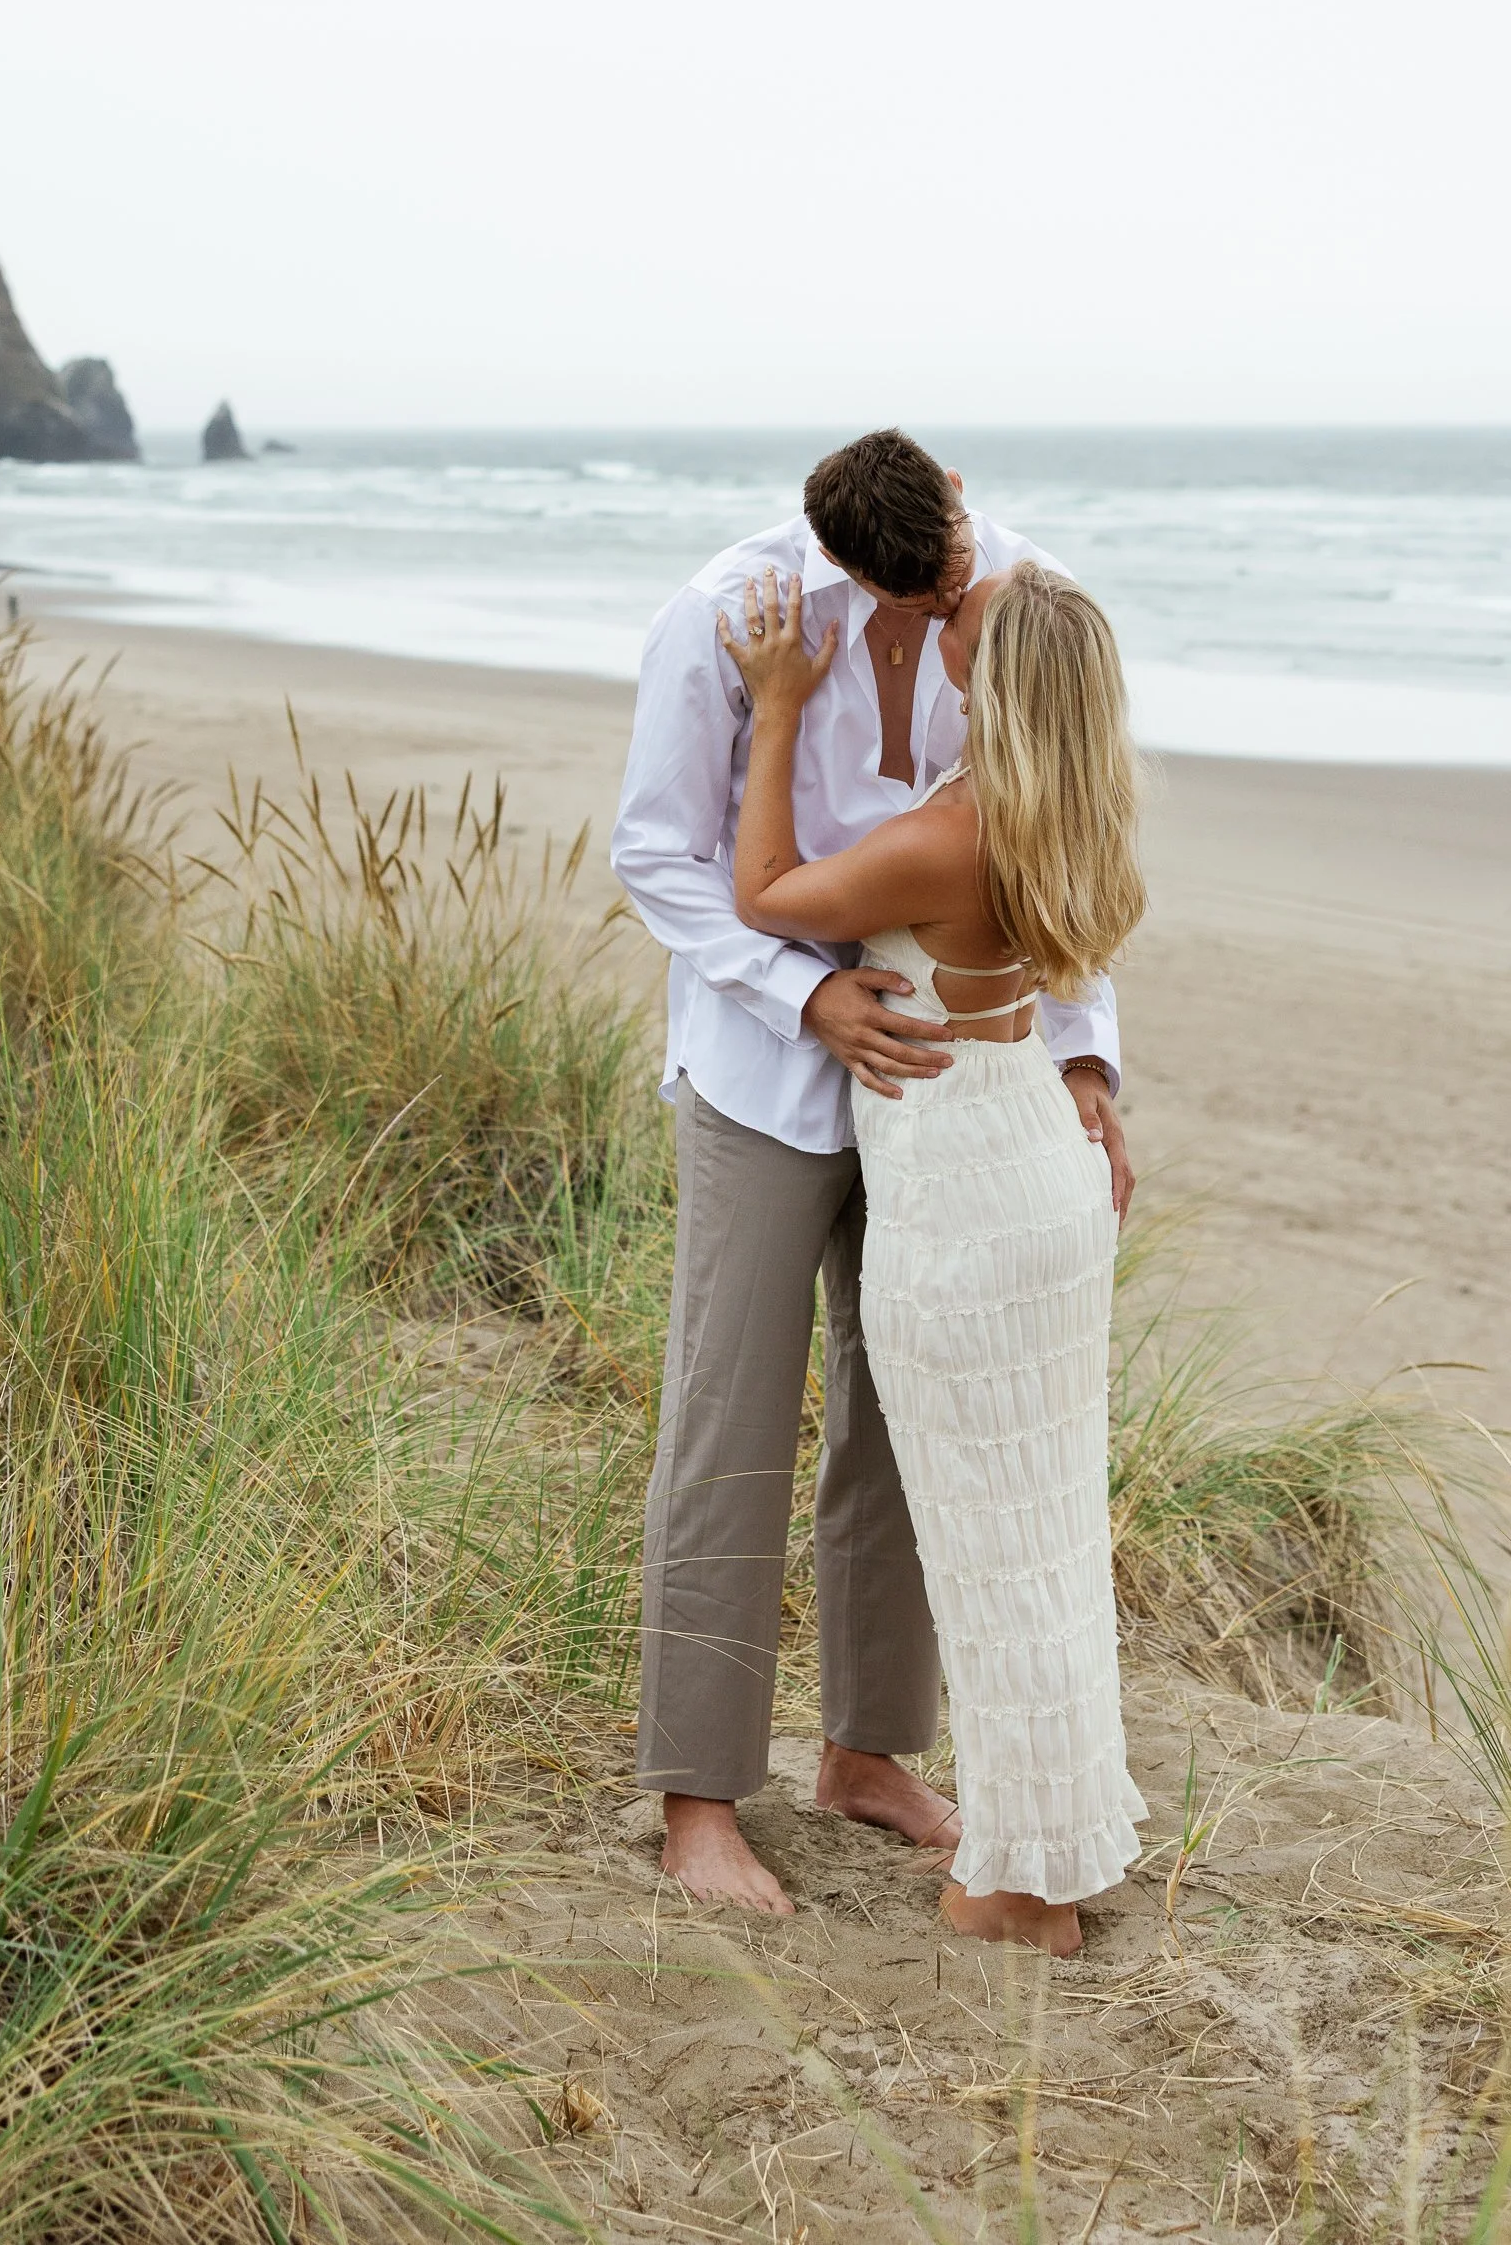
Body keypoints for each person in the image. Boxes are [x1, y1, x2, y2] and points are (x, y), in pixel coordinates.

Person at [610, 429, 1132, 1919]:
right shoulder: (729, 612)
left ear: (958, 495)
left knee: (905, 1432)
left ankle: (868, 1752)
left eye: (952, 580)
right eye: (913, 597)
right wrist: (806, 995)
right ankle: (700, 1799)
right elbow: (659, 855)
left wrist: (1086, 1062)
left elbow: (1057, 831)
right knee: (731, 1420)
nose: (940, 607)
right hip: (769, 1078)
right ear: (843, 560)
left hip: (948, 1103)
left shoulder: (1022, 600)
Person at [719, 554, 1147, 1953]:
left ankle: (1017, 1891)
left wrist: (780, 705)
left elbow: (765, 890)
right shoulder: (1068, 814)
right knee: (1045, 1536)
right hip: (1038, 1172)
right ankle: (1049, 1858)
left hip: (966, 1200)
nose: (945, 606)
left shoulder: (949, 838)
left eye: (964, 612)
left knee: (986, 1549)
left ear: (986, 676)